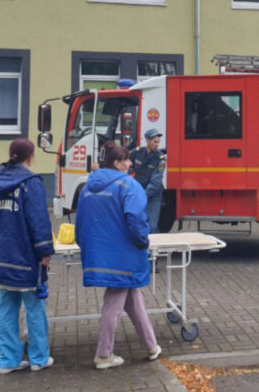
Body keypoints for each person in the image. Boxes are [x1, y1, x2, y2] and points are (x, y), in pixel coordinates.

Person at [75, 143, 161, 369]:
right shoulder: (129, 185)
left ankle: (151, 346)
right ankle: (103, 355)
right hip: (124, 255)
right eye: (127, 159)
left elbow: (80, 220)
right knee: (113, 302)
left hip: (99, 253)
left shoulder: (88, 187)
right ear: (117, 163)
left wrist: (83, 243)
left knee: (133, 298)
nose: (130, 163)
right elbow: (136, 218)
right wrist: (143, 240)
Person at [0, 138, 55, 374]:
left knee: (6, 306)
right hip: (26, 255)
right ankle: (39, 358)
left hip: (2, 254)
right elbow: (38, 219)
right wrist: (45, 250)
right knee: (35, 307)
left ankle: (8, 360)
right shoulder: (30, 183)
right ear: (31, 157)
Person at [130, 129, 166, 233]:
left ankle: (151, 248)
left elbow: (156, 182)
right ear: (147, 141)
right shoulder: (137, 152)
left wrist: (142, 196)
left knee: (152, 226)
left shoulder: (161, 159)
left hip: (153, 195)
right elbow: (126, 163)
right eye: (155, 142)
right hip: (138, 192)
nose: (157, 144)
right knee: (135, 223)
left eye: (158, 142)